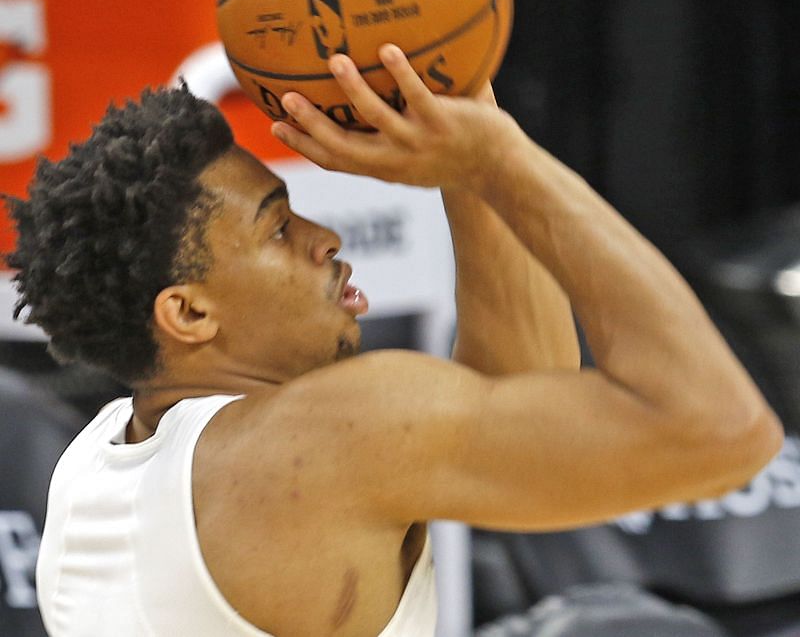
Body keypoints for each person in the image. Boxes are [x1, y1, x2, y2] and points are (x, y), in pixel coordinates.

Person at [6, 45, 782, 637]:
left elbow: (521, 386)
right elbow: (724, 430)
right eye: (278, 227)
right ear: (190, 313)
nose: (323, 235)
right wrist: (506, 164)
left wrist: (468, 137)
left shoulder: (95, 463)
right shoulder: (326, 433)